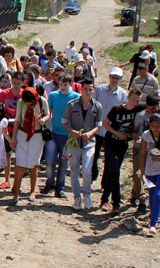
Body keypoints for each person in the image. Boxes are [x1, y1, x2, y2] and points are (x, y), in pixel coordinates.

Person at [100, 88, 143, 211]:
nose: (135, 102)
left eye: (137, 100)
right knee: (114, 171)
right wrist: (116, 133)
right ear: (128, 97)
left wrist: (132, 135)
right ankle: (116, 202)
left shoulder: (139, 109)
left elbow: (152, 106)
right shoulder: (117, 109)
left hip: (123, 144)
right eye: (133, 99)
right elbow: (105, 123)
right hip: (110, 142)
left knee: (113, 171)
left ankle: (104, 199)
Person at [63, 77, 103, 210]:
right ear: (81, 89)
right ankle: (77, 197)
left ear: (93, 90)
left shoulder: (97, 106)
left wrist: (91, 133)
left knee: (86, 169)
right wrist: (72, 131)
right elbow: (64, 121)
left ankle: (87, 194)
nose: (87, 92)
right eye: (85, 89)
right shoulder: (72, 104)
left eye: (90, 89)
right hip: (74, 142)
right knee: (74, 170)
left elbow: (99, 124)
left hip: (89, 142)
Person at [43, 70, 80, 198]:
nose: (63, 87)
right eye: (61, 84)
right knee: (50, 161)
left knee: (64, 164)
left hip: (68, 135)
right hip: (54, 132)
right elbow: (49, 112)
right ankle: (49, 183)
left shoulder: (76, 97)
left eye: (65, 85)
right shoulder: (53, 95)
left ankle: (60, 188)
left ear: (71, 84)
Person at [11, 86, 48, 206]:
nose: (28, 104)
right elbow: (17, 120)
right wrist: (13, 138)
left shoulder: (42, 101)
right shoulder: (21, 103)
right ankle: (16, 192)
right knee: (20, 163)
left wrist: (43, 119)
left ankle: (32, 191)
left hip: (37, 136)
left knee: (34, 164)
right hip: (22, 134)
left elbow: (48, 114)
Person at [92, 67, 128, 183]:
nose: (114, 80)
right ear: (109, 77)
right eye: (113, 77)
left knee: (109, 158)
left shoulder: (123, 94)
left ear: (120, 79)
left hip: (111, 130)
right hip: (97, 128)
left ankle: (105, 181)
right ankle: (93, 174)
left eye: (117, 78)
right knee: (94, 154)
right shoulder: (99, 90)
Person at [129, 94, 160, 211]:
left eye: (155, 108)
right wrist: (135, 136)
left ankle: (135, 193)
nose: (154, 110)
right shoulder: (140, 116)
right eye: (151, 108)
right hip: (139, 148)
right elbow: (133, 131)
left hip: (154, 150)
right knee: (138, 174)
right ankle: (142, 200)